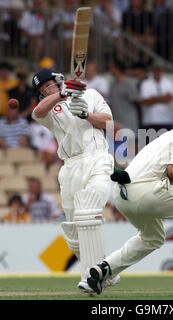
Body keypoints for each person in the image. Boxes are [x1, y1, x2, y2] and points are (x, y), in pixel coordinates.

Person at [86, 118, 173, 295]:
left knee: (153, 237)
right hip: (145, 190)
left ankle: (104, 270)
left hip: (123, 194)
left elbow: (170, 172)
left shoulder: (169, 139)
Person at [31, 68, 116, 293]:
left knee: (88, 212)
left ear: (58, 79)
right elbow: (37, 112)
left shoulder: (91, 94)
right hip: (70, 166)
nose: (46, 90)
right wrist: (60, 95)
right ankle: (105, 268)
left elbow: (108, 122)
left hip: (97, 157)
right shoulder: (49, 108)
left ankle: (90, 278)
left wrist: (86, 114)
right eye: (42, 90)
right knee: (73, 233)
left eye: (48, 85)